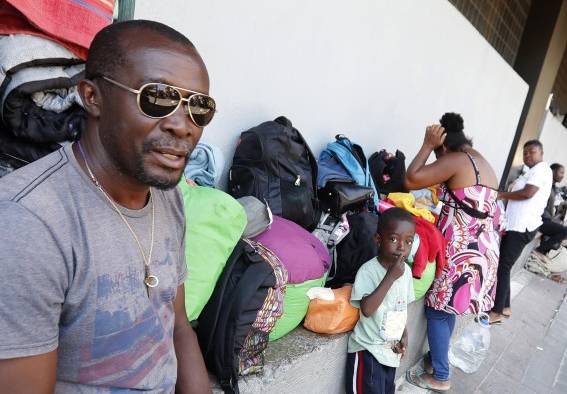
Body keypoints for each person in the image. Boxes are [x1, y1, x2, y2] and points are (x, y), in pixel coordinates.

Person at [0, 20, 216, 393]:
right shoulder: (29, 224)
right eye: (158, 97)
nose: (184, 127)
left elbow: (178, 326)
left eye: (199, 108)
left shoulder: (167, 196)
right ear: (92, 97)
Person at [403, 113, 501, 392]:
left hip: (462, 248)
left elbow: (411, 180)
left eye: (437, 151)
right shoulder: (479, 158)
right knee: (450, 307)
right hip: (483, 247)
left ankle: (441, 376)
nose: (437, 159)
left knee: (436, 309)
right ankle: (435, 361)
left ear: (443, 144)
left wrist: (425, 145)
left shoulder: (455, 159)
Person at [346, 208, 415, 394]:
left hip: (390, 353)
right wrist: (390, 278)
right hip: (367, 350)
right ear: (378, 240)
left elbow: (400, 309)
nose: (401, 247)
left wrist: (404, 334)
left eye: (408, 242)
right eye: (394, 239)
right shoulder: (368, 271)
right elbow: (367, 309)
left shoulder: (406, 272)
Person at [489, 140, 553, 323]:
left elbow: (527, 193)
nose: (527, 156)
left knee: (503, 266)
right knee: (505, 266)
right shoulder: (533, 171)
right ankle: (506, 306)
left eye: (531, 152)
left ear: (541, 153)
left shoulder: (541, 170)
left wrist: (502, 195)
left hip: (521, 227)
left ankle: (496, 312)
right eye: (525, 153)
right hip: (516, 225)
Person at [535, 163, 567, 255]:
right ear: (552, 171)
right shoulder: (545, 185)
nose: (562, 176)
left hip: (546, 219)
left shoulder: (553, 187)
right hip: (540, 220)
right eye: (561, 172)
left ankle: (544, 250)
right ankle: (540, 250)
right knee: (564, 231)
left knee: (561, 228)